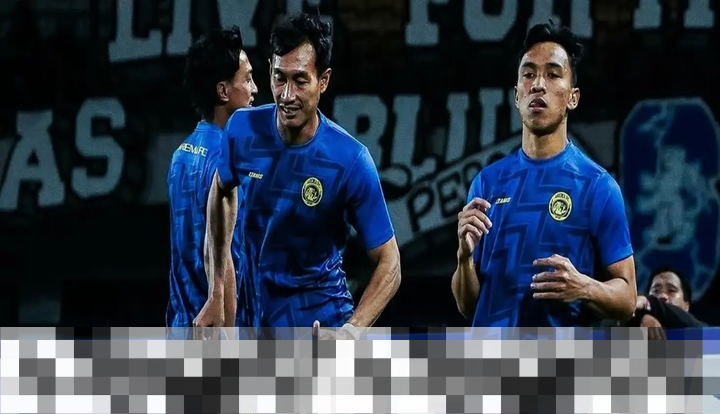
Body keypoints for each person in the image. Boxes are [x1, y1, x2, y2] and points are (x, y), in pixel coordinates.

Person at [206, 13, 400, 338]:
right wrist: (217, 290)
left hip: (321, 330)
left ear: (323, 81)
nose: (286, 95)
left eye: (300, 80)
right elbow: (221, 190)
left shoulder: (350, 160)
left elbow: (390, 262)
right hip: (254, 326)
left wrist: (350, 333)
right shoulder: (242, 129)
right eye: (279, 78)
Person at [452, 21, 637, 328]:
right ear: (517, 96)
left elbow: (628, 298)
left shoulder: (597, 187)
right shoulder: (486, 182)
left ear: (573, 97)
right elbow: (467, 306)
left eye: (553, 74)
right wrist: (464, 258)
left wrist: (584, 287)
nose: (538, 84)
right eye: (528, 74)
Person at [166, 27, 258, 336]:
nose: (255, 89)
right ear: (223, 92)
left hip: (182, 329)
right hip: (221, 334)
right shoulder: (230, 160)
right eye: (247, 79)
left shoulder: (180, 156)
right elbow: (222, 252)